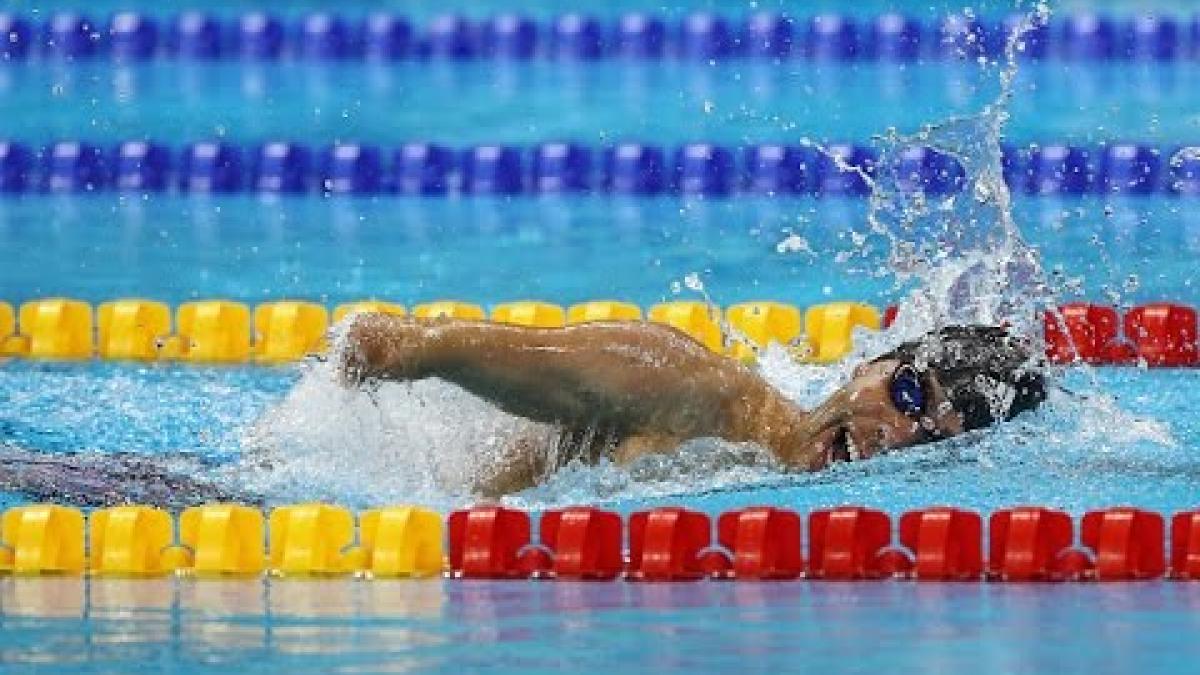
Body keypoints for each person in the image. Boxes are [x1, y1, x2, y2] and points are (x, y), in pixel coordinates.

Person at [339, 313, 1047, 494]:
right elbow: (410, 347)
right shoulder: (689, 386)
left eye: (928, 437)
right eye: (905, 392)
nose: (895, 433)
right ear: (871, 361)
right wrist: (388, 353)